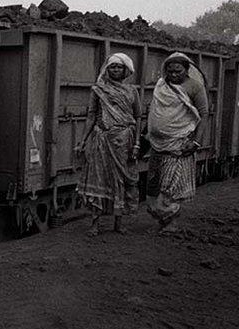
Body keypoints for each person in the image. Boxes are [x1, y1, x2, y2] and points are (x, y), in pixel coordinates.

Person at [76, 53, 142, 236]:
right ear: (107, 69)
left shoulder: (131, 91)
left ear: (125, 70)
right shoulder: (98, 90)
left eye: (119, 67)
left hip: (123, 141)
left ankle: (118, 224)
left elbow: (137, 116)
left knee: (120, 180)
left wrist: (136, 143)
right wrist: (83, 140)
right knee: (99, 178)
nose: (115, 70)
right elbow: (91, 115)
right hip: (102, 139)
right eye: (112, 67)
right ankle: (95, 224)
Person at [144, 52, 209, 234]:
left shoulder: (195, 87)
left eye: (178, 71)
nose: (173, 75)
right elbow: (153, 112)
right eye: (170, 71)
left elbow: (204, 115)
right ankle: (163, 220)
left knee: (171, 185)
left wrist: (196, 142)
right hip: (157, 143)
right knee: (153, 185)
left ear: (187, 70)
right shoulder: (161, 85)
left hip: (180, 144)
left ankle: (171, 224)